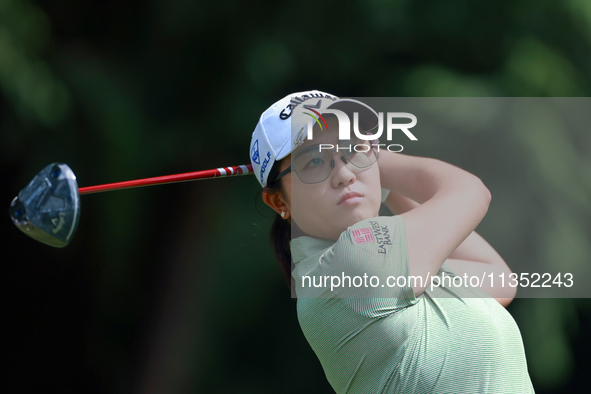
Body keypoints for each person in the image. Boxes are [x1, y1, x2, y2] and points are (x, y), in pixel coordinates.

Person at [249, 90, 535, 393]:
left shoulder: (386, 265)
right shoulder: (352, 262)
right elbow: (471, 192)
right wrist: (376, 160)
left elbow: (497, 277)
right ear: (278, 200)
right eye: (314, 162)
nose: (344, 173)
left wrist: (369, 165)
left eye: (352, 147)